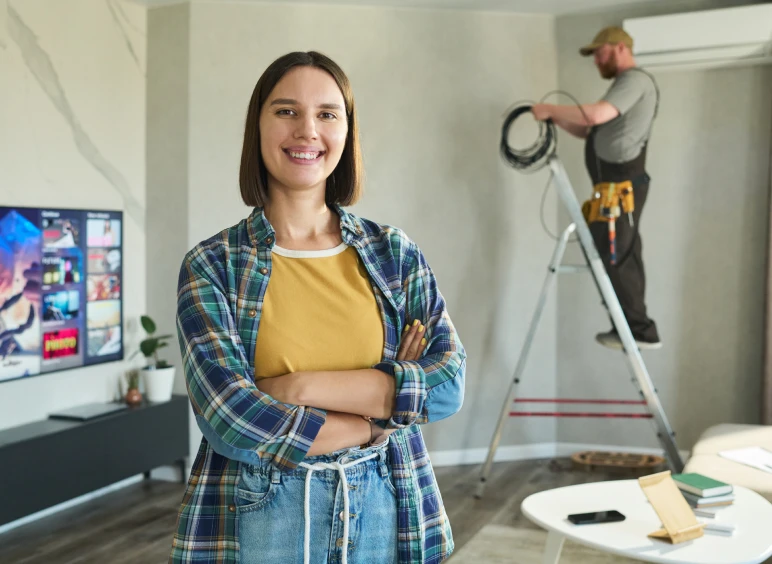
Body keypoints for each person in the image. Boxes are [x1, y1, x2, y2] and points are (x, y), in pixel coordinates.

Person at [171, 51, 466, 564]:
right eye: (286, 111)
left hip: (387, 504)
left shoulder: (393, 254)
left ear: (347, 131)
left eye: (328, 114)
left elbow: (447, 386)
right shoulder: (212, 265)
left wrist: (295, 388)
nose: (307, 130)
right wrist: (382, 414)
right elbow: (231, 420)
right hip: (260, 516)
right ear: (257, 127)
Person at [531, 26, 661, 351]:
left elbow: (595, 115)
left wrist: (549, 110)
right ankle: (632, 327)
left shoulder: (635, 80)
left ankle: (639, 330)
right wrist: (557, 120)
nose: (596, 61)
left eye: (599, 53)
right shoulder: (623, 86)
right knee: (615, 254)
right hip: (613, 186)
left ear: (619, 48)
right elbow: (594, 131)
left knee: (615, 255)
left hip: (622, 186)